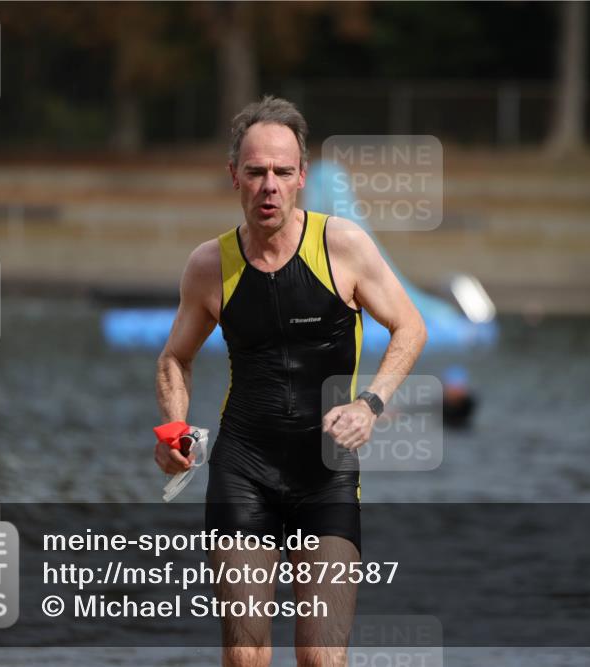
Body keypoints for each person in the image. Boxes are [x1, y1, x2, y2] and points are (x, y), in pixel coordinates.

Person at [154, 96, 426, 667]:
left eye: (282, 172)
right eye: (255, 172)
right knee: (246, 650)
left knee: (321, 655)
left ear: (302, 176)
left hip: (325, 474)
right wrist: (175, 429)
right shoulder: (209, 265)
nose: (269, 186)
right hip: (243, 470)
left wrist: (371, 404)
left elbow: (410, 326)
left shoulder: (342, 246)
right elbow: (175, 358)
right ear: (235, 177)